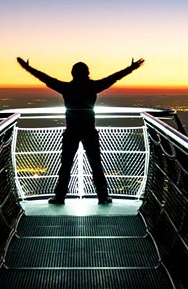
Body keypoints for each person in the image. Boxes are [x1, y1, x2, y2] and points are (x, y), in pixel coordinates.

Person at [16, 56, 145, 204]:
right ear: (87, 73)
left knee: (66, 166)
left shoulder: (67, 88)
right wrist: (132, 68)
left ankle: (60, 197)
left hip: (71, 131)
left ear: (73, 73)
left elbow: (45, 78)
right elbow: (114, 78)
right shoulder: (93, 86)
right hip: (89, 131)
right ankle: (103, 197)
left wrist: (27, 68)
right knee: (96, 165)